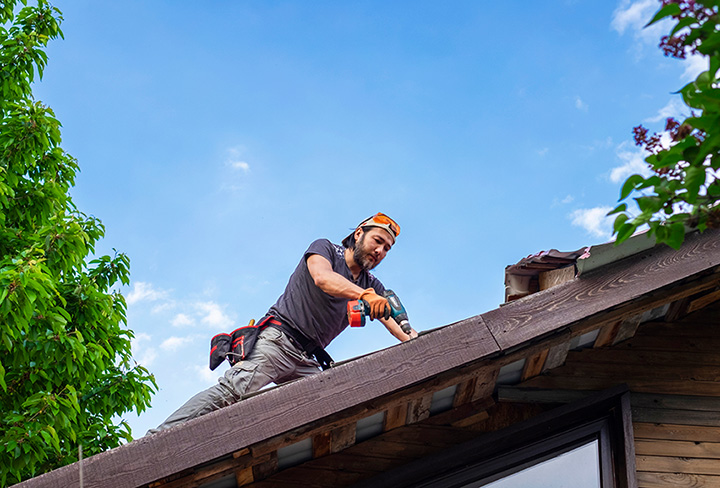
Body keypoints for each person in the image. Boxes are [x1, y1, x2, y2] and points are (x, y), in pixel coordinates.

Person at [148, 212, 417, 434]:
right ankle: (157, 438)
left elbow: (398, 324)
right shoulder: (326, 249)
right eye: (378, 241)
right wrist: (364, 295)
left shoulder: (372, 285)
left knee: (332, 411)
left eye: (386, 249)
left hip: (308, 360)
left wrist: (415, 341)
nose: (380, 251)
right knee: (232, 392)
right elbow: (323, 278)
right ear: (359, 233)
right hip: (278, 342)